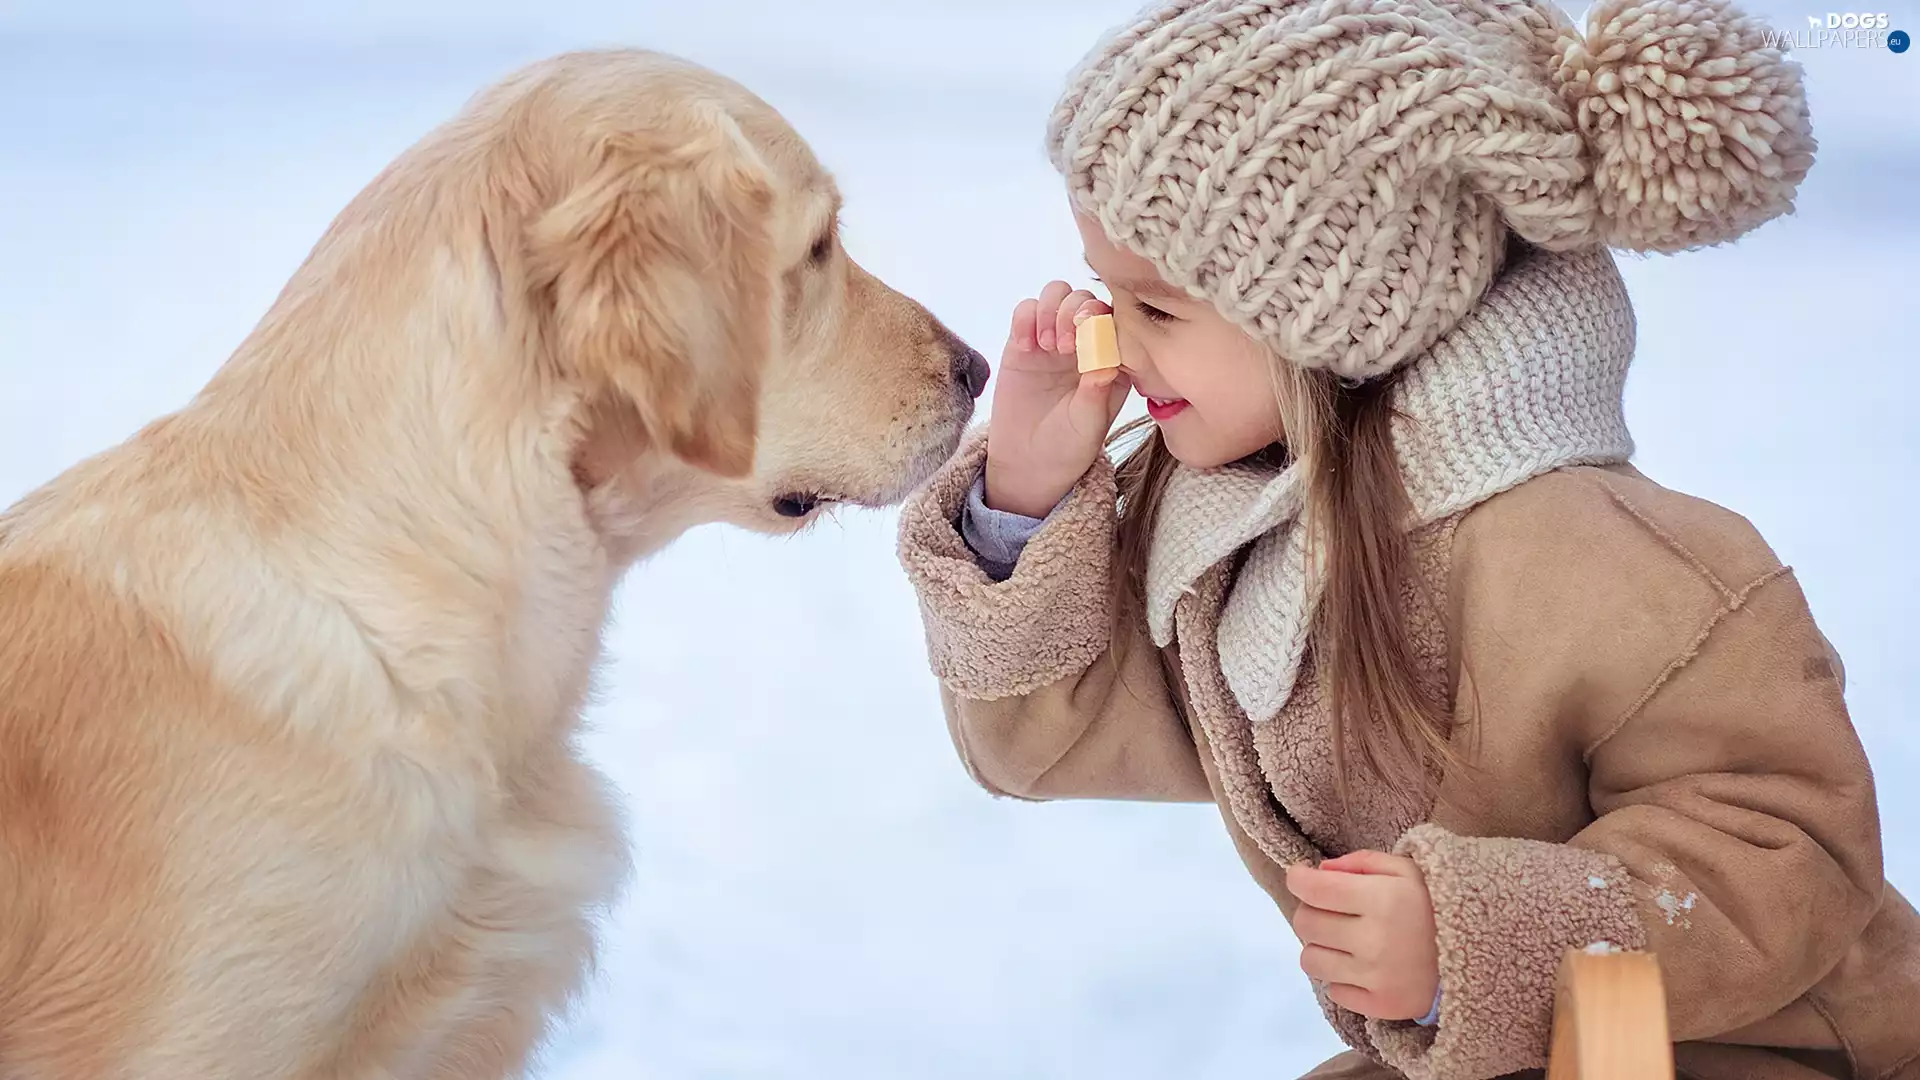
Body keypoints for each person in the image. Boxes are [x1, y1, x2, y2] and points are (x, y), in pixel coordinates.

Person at [893, 0, 1920, 1076]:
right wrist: (1028, 495)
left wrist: (1476, 945)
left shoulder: (1604, 561)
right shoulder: (1234, 525)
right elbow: (1047, 747)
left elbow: (1789, 851)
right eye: (1107, 290)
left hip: (1744, 1047)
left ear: (1331, 318)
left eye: (1158, 309)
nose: (1108, 337)